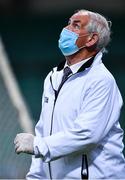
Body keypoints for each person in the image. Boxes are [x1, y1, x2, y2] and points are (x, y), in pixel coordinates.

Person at [14, 9, 125, 179]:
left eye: (76, 25)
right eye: (68, 23)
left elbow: (87, 135)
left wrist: (38, 145)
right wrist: (36, 176)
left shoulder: (101, 80)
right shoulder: (53, 77)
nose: (66, 29)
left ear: (92, 39)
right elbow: (44, 130)